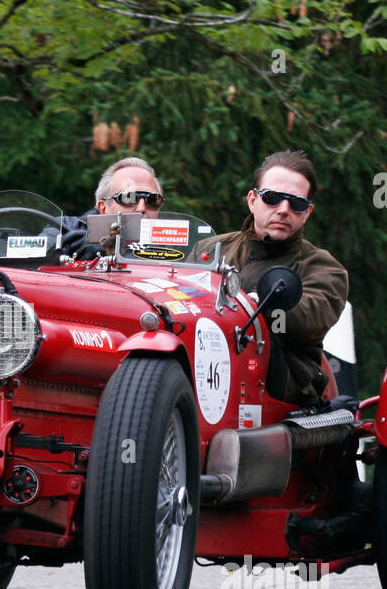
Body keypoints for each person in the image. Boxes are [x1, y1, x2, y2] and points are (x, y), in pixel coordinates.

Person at [196, 150, 349, 406]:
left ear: (307, 212)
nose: (283, 209)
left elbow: (309, 319)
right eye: (272, 198)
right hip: (200, 366)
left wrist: (256, 303)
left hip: (281, 387)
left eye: (296, 203)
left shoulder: (322, 266)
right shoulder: (209, 250)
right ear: (252, 200)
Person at [61, 157, 165, 258]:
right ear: (103, 208)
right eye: (128, 198)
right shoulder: (65, 227)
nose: (141, 208)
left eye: (152, 200)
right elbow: (46, 255)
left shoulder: (172, 243)